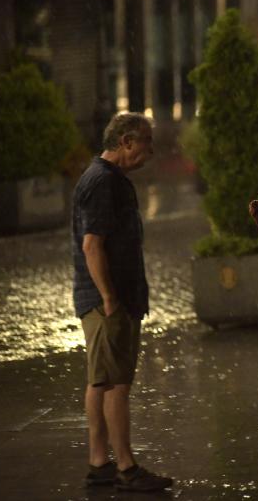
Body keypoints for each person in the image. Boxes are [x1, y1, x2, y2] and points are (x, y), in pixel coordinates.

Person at [72, 112, 173, 491]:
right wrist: (110, 297)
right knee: (115, 383)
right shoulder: (102, 183)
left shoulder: (110, 180)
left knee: (101, 381)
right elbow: (91, 244)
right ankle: (126, 467)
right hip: (107, 302)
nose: (150, 150)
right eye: (146, 141)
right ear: (126, 142)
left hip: (112, 299)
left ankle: (100, 463)